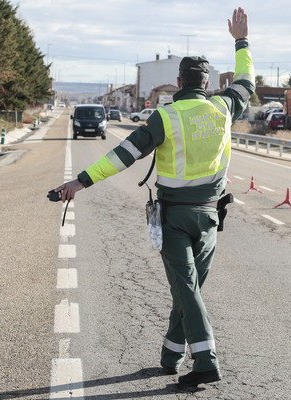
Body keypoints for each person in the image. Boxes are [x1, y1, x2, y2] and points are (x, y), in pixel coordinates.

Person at [55, 7, 254, 387]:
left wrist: (80, 181)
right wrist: (241, 42)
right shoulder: (224, 107)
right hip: (211, 216)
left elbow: (122, 156)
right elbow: (246, 81)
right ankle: (169, 356)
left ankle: (207, 362)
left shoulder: (165, 117)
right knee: (188, 289)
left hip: (175, 217)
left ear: (179, 81)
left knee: (186, 288)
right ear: (207, 82)